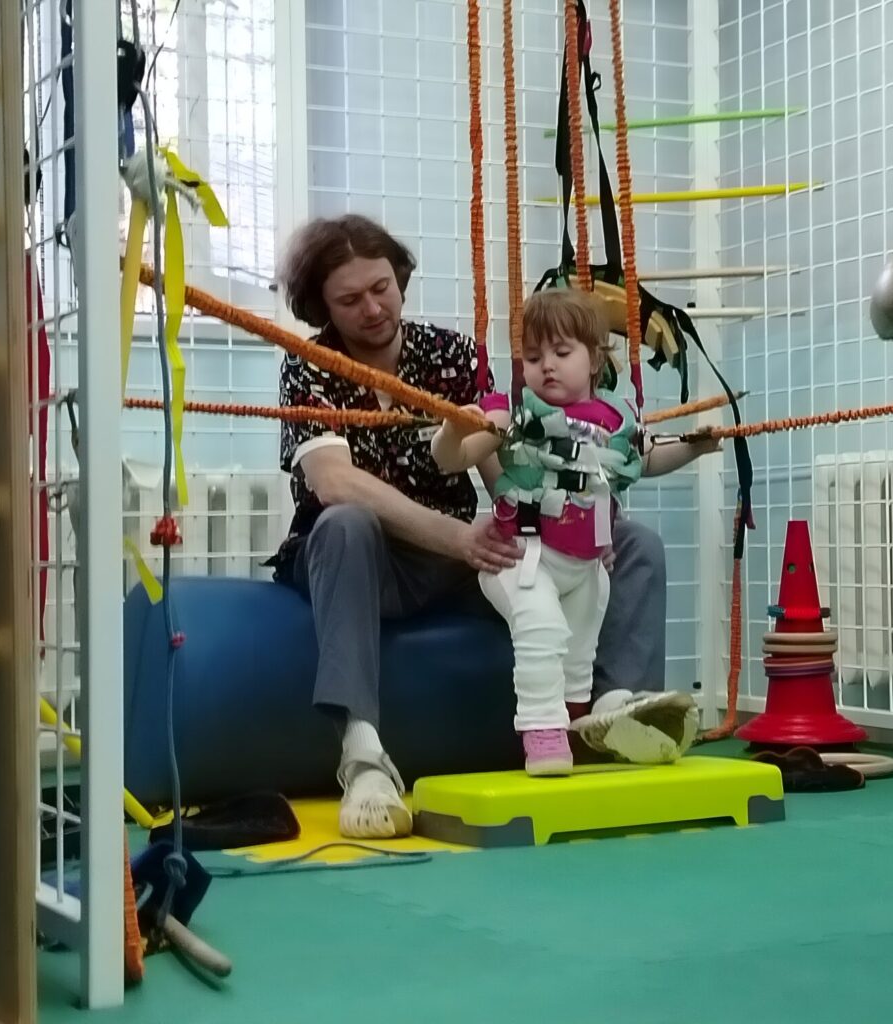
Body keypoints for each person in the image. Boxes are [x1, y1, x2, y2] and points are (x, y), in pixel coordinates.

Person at [270, 214, 710, 839]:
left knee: (632, 541)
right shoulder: (310, 365)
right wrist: (457, 537)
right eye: (349, 300)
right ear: (322, 306)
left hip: (455, 559)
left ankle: (613, 720)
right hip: (368, 560)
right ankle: (363, 756)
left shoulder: (449, 353)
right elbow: (335, 482)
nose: (372, 308)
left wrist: (576, 527)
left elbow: (505, 464)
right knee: (345, 523)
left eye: (382, 288)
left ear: (399, 279)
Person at [431, 289, 720, 776]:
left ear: (594, 359)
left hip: (586, 565)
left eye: (561, 353)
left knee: (579, 654)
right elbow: (451, 459)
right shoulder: (510, 412)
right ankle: (541, 732)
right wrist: (455, 430)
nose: (546, 366)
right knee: (541, 628)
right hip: (522, 558)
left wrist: (696, 447)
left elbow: (647, 459)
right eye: (532, 357)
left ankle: (581, 725)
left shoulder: (616, 419)